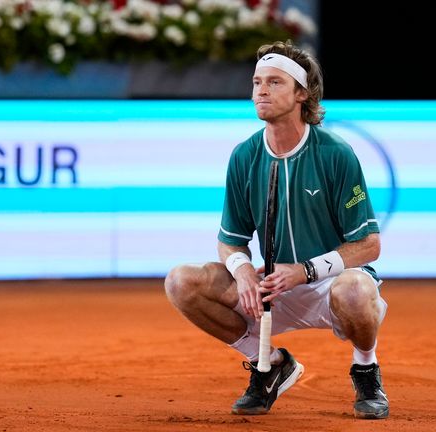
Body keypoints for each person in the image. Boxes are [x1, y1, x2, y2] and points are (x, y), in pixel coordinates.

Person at [164, 40, 390, 419]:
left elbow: (368, 245)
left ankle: (366, 368)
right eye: (256, 82)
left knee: (356, 289)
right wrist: (243, 274)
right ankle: (268, 363)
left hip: (328, 283)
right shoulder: (244, 155)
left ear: (302, 93)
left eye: (274, 82)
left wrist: (305, 270)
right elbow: (230, 241)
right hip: (271, 288)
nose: (261, 91)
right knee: (181, 282)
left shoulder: (335, 153)